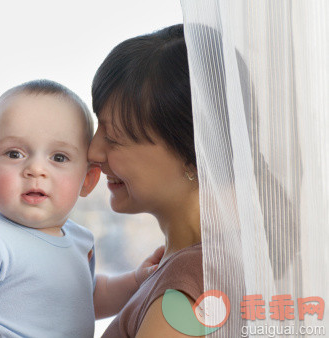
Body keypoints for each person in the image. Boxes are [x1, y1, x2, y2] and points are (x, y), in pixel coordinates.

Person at [0, 79, 164, 338]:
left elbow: (86, 299)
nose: (36, 169)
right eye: (14, 154)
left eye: (59, 157)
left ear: (88, 180)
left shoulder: (81, 241)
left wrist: (137, 281)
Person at [88, 24, 204, 337]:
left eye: (113, 137)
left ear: (192, 152)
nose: (92, 151)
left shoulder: (187, 285)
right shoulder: (177, 268)